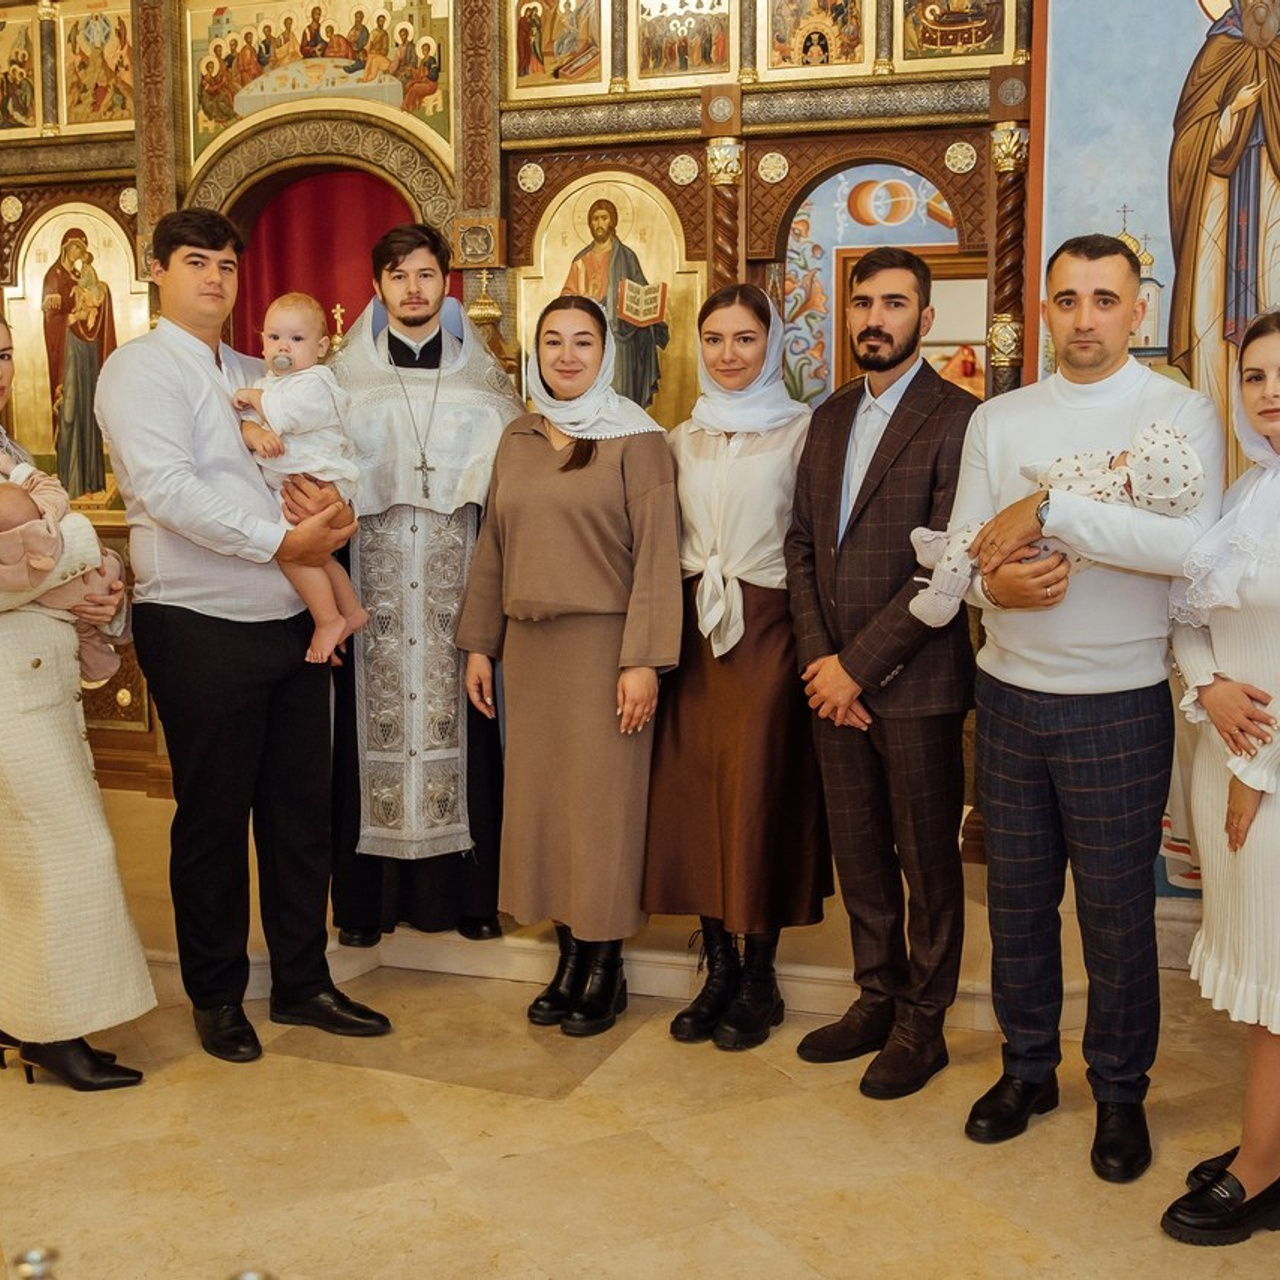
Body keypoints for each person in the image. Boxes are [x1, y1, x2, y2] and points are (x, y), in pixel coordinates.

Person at [952, 233, 1223, 1181]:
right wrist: (996, 595)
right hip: (1013, 693)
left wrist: (1052, 508)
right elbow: (963, 555)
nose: (1084, 319)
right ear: (1043, 310)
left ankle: (1120, 1090)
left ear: (1138, 310)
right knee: (1019, 906)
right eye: (1066, 300)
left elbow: (1187, 547)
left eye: (1104, 300)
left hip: (1118, 700)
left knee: (1114, 916)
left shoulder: (1180, 412)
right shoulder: (1003, 419)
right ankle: (1027, 1068)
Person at [94, 208, 390, 1064]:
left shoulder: (261, 368)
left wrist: (336, 512)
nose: (216, 278)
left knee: (300, 815)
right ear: (158, 271)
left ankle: (302, 980)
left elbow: (315, 455)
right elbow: (170, 489)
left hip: (290, 619)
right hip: (197, 621)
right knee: (215, 819)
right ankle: (218, 995)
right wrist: (282, 542)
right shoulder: (138, 370)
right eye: (197, 263)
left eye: (227, 264)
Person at [456, 296, 681, 1037]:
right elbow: (493, 546)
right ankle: (565, 956)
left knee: (602, 811)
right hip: (531, 651)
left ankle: (604, 964)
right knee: (545, 808)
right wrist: (481, 643)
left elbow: (656, 558)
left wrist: (643, 659)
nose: (566, 355)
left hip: (605, 649)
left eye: (582, 341)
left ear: (606, 352)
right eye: (551, 341)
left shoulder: (637, 439)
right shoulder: (518, 435)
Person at [783, 246, 977, 1100]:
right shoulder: (826, 419)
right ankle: (874, 996)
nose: (875, 318)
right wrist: (822, 662)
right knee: (859, 853)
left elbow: (949, 569)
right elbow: (799, 550)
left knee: (926, 863)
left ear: (924, 320)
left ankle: (921, 1026)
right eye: (862, 302)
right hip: (833, 679)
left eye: (894, 303)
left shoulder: (962, 419)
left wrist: (855, 670)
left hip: (918, 684)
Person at [318, 222, 523, 947]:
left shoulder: (484, 383)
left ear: (446, 284)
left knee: (464, 724)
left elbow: (510, 492)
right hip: (369, 586)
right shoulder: (341, 382)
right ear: (377, 287)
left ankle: (467, 899)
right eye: (399, 275)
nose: (413, 288)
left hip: (455, 586)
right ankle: (366, 907)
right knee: (365, 738)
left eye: (426, 274)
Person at [643, 283, 830, 1050]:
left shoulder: (802, 432)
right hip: (693, 631)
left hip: (769, 628)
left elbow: (813, 538)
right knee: (694, 796)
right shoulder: (680, 437)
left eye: (745, 339)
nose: (728, 354)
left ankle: (760, 976)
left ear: (772, 345)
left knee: (758, 792)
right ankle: (715, 966)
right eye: (715, 339)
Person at [0, 313, 154, 1091]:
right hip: (3, 691)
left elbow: (34, 551)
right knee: (70, 849)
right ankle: (52, 1033)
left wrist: (72, 583)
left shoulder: (11, 452)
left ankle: (16, 1011)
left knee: (22, 857)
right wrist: (73, 564)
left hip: (35, 677)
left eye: (1, 352)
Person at [1161, 309, 1280, 1244]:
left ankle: (1263, 1162)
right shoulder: (1248, 494)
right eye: (1255, 376)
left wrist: (1256, 764)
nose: (1270, 392)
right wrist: (1209, 685)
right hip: (1224, 751)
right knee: (1261, 967)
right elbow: (1190, 612)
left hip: (1270, 777)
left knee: (1277, 978)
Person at [909, 421, 1206, 627]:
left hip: (1131, 676)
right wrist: (991, 591)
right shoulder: (992, 417)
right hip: (1005, 669)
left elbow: (1193, 553)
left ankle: (942, 594)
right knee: (979, 534)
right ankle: (946, 550)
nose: (1083, 325)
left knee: (974, 538)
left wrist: (1045, 508)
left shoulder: (1188, 407)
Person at [233, 291, 365, 664]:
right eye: (274, 337)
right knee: (319, 557)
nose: (283, 347)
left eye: (296, 339)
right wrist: (256, 434)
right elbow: (247, 426)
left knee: (292, 554)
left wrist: (251, 398)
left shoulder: (316, 382)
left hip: (318, 480)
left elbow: (284, 414)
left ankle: (327, 620)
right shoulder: (268, 384)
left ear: (321, 347)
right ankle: (352, 610)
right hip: (296, 483)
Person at [0, 457, 126, 682]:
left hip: (62, 680)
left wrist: (112, 603)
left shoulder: (13, 450)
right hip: (16, 687)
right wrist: (81, 534)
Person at [561, 198, 669, 409]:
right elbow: (567, 297)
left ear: (613, 221)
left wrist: (646, 306)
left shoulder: (626, 257)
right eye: (595, 219)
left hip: (622, 334)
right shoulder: (581, 260)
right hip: (589, 332)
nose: (599, 223)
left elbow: (641, 291)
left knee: (620, 392)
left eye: (604, 218)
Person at [42, 227, 116, 499]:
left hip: (86, 350)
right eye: (75, 249)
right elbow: (51, 321)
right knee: (71, 409)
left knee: (88, 408)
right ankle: (71, 482)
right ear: (65, 247)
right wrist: (71, 319)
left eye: (82, 251)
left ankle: (91, 481)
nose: (78, 255)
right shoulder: (54, 277)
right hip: (68, 353)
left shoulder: (78, 276)